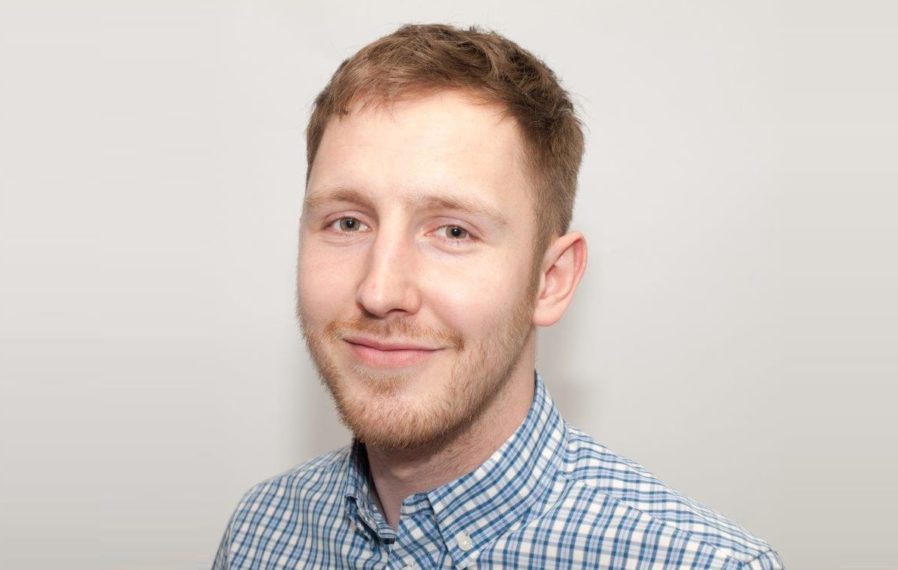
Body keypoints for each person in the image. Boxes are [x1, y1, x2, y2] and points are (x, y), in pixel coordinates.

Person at [213, 23, 782, 569]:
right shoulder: (261, 531)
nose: (379, 290)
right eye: (347, 223)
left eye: (454, 232)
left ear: (550, 279)